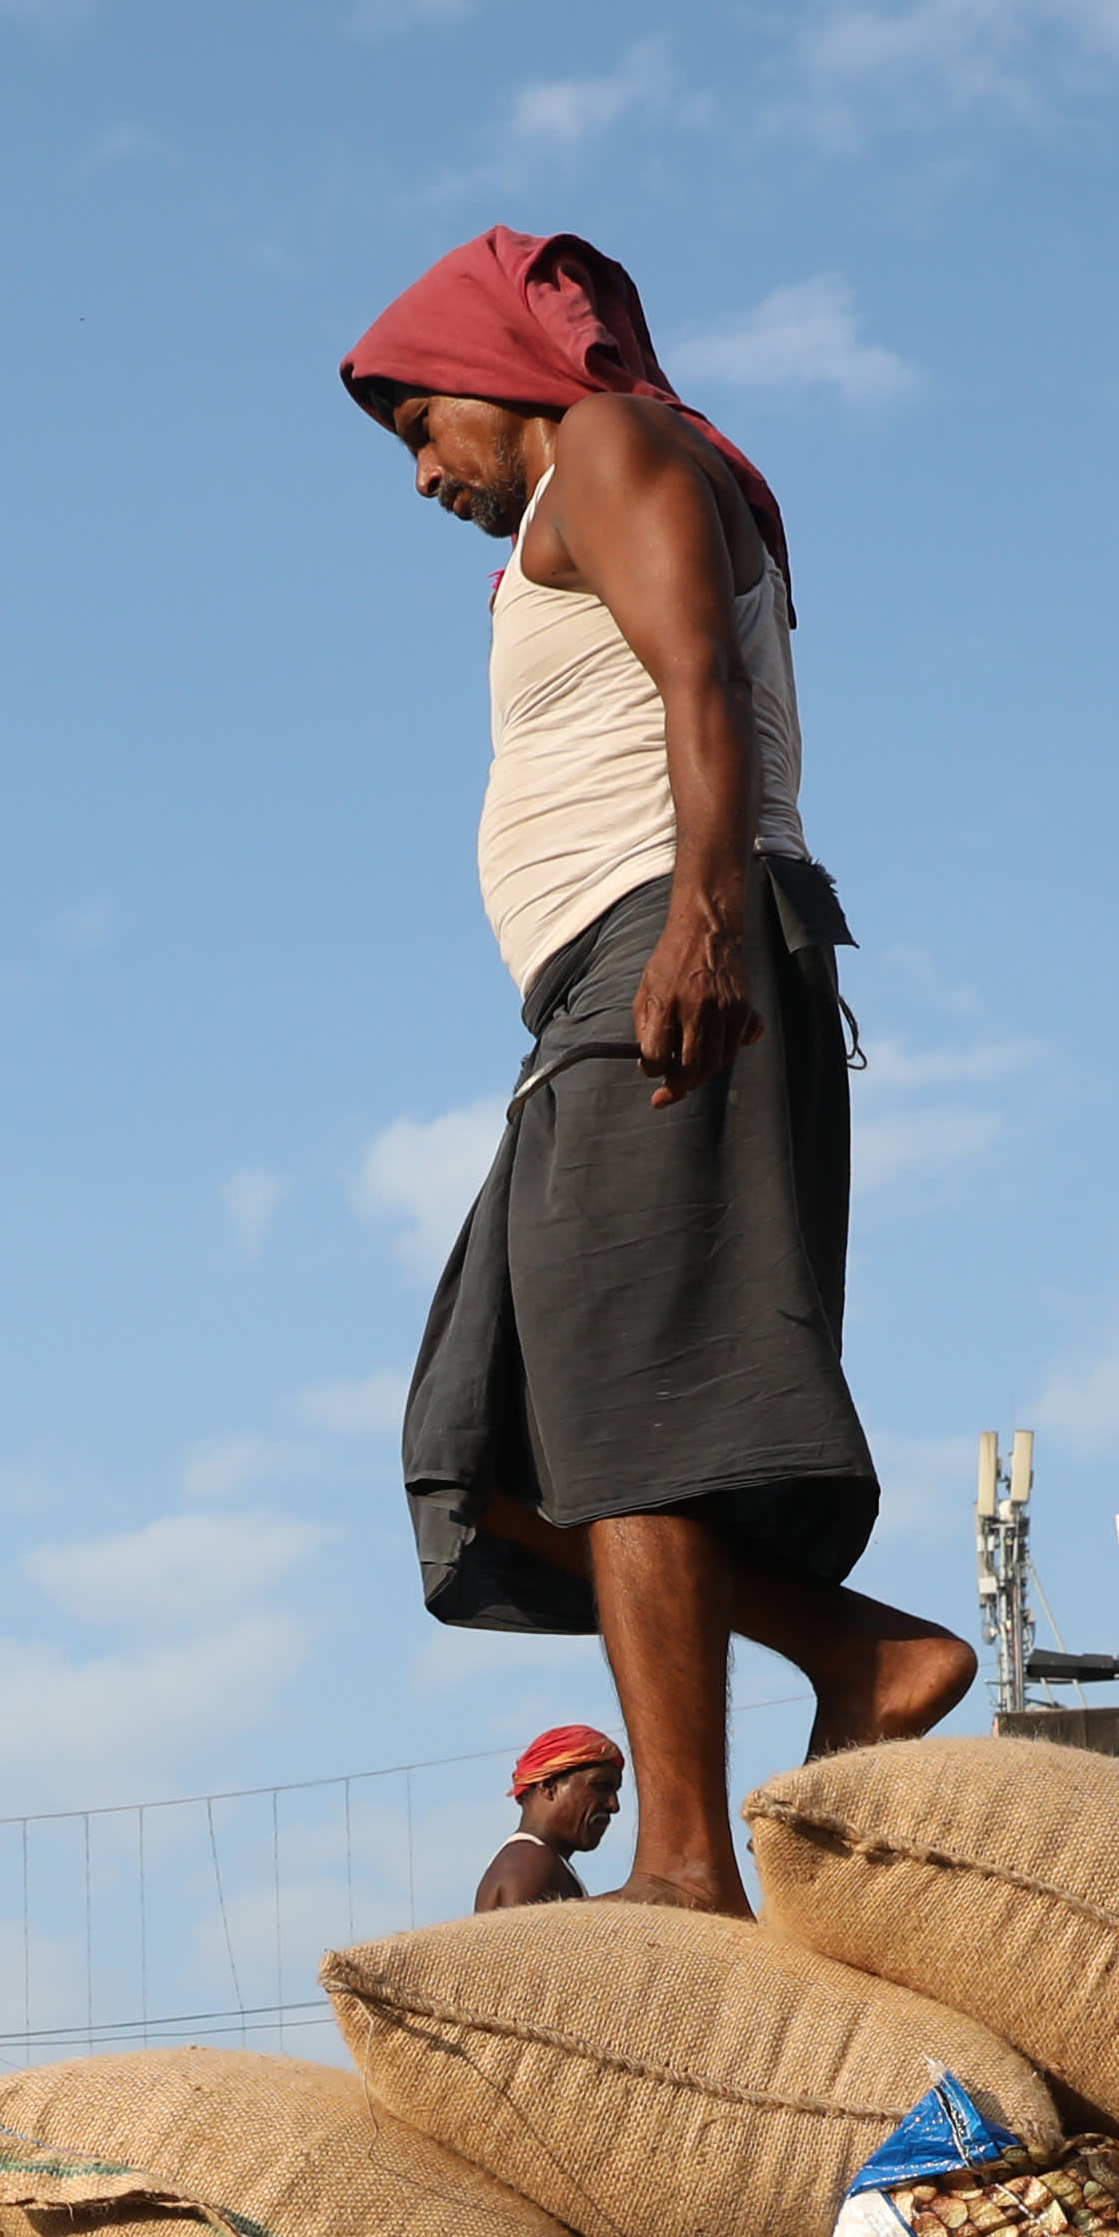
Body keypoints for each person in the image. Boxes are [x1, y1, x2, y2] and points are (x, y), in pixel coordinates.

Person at [346, 227, 971, 1917]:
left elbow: (705, 682)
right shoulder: (568, 506)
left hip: (663, 945)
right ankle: (860, 1653)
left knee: (622, 1420)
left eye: (422, 425)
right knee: (490, 1446)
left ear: (501, 371)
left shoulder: (614, 446)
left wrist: (700, 918)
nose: (420, 474)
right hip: (598, 985)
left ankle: (687, 1860)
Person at [479, 1726, 625, 1910]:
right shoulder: (531, 1864)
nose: (614, 1805)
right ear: (548, 1786)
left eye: (615, 1792)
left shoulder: (533, 1860)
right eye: (601, 1786)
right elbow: (517, 1937)